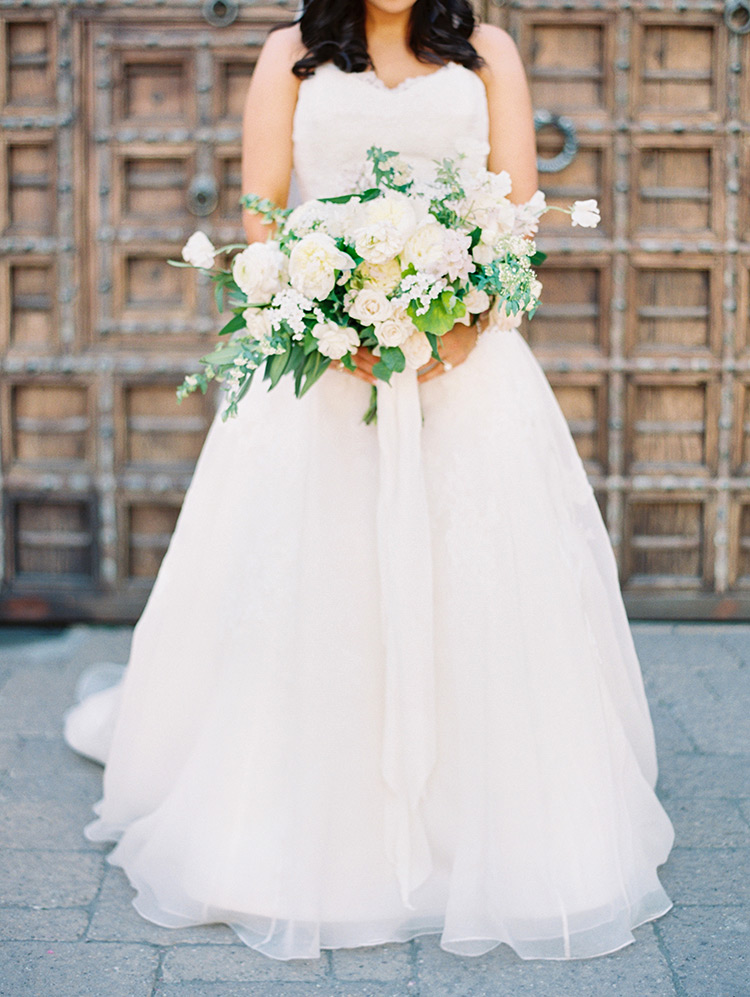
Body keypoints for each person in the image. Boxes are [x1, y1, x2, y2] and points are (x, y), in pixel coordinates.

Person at [63, 0, 675, 963]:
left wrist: (464, 324)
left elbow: (513, 212)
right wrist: (327, 320)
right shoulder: (290, 57)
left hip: (465, 373)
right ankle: (300, 816)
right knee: (318, 585)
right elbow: (264, 218)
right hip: (323, 374)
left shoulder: (489, 55)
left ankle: (486, 819)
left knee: (479, 585)